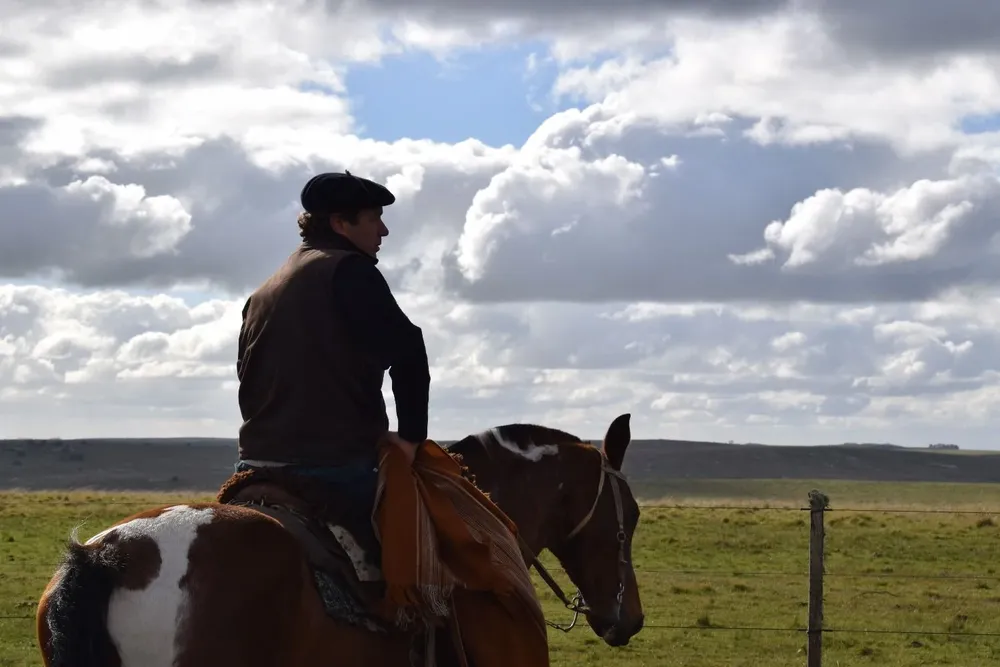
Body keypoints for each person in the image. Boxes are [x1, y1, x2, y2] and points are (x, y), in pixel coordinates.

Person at [233, 171, 430, 530]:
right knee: (441, 542)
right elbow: (408, 351)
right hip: (334, 464)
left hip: (256, 464)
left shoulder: (264, 290)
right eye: (374, 219)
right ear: (341, 223)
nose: (383, 231)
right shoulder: (349, 271)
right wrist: (411, 439)